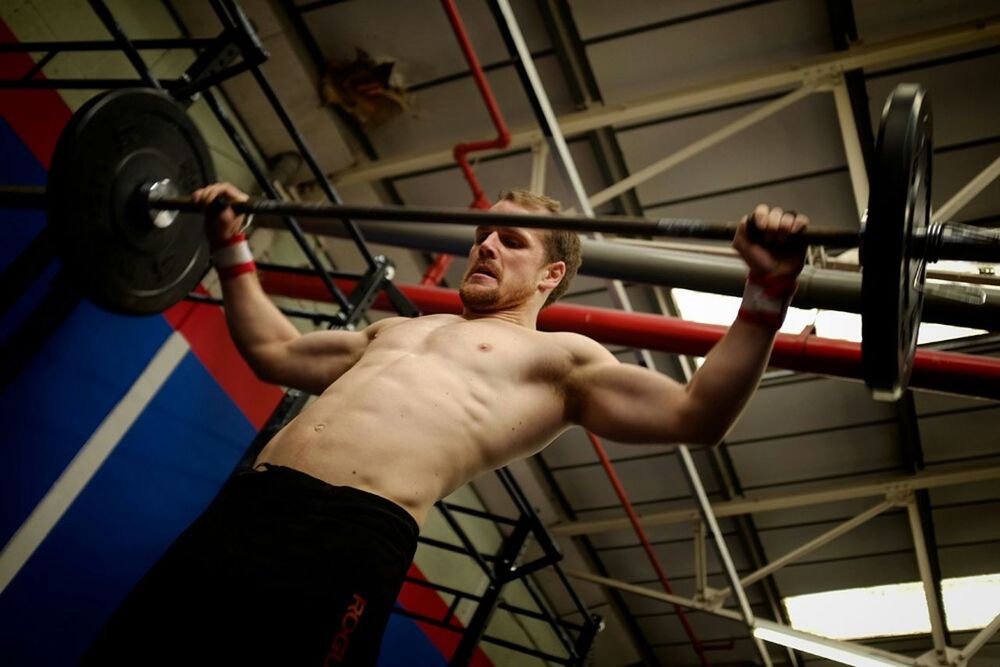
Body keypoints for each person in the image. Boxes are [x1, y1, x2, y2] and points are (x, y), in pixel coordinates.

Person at [82, 184, 808, 666]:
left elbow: (696, 414)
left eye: (512, 241)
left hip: (349, 536)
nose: (485, 245)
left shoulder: (561, 359)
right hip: (247, 504)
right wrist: (230, 246)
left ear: (551, 277)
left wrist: (767, 292)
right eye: (484, 234)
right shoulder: (395, 330)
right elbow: (272, 350)